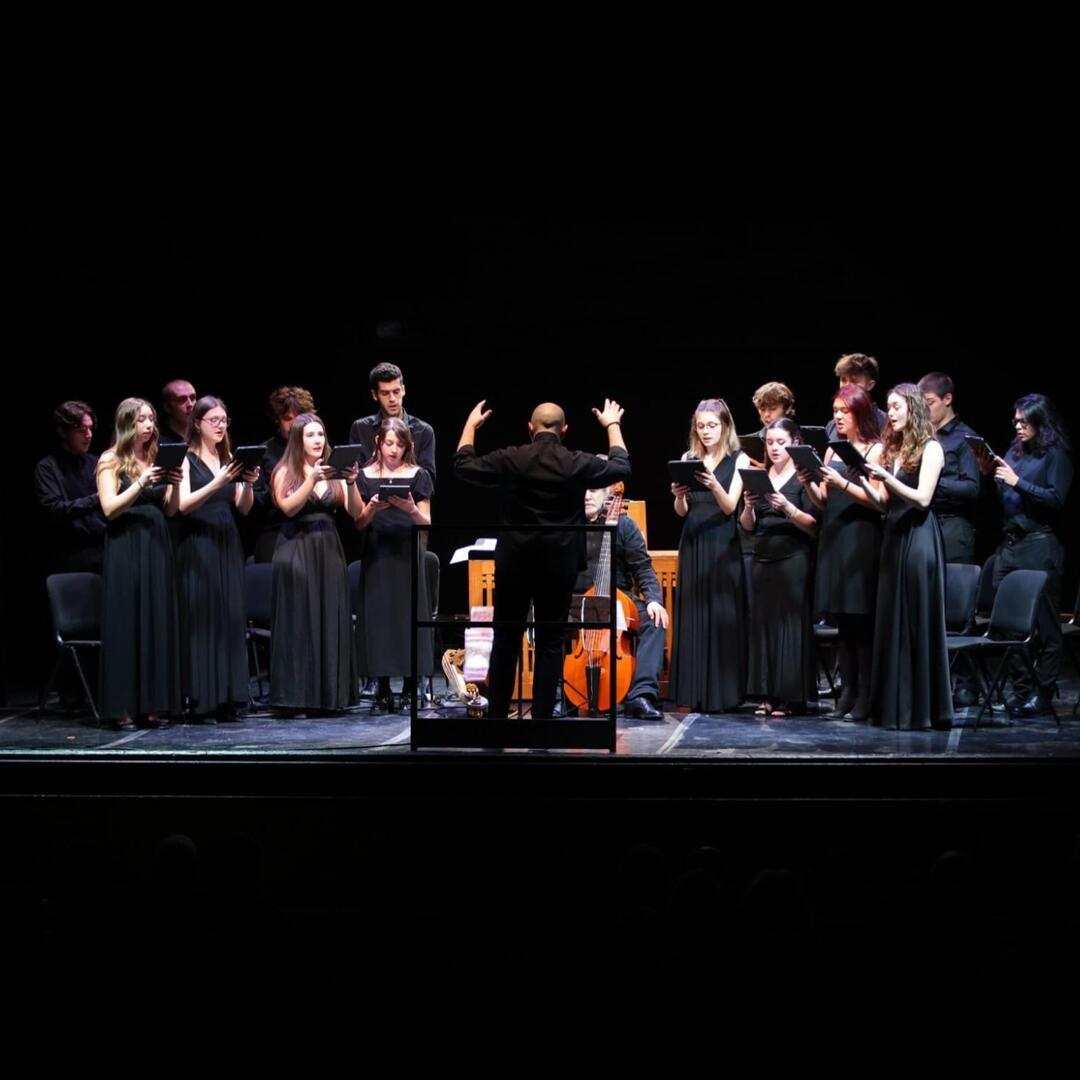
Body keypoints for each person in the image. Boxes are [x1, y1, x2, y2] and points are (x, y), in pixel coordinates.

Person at [453, 398, 630, 720]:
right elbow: (621, 466)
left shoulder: (512, 457)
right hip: (558, 566)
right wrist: (612, 425)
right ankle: (543, 726)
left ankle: (496, 725)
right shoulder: (574, 461)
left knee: (506, 640)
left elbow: (463, 465)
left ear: (531, 428)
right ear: (564, 430)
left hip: (515, 563)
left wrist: (470, 425)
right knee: (550, 643)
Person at [973, 393, 1073, 716]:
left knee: (1045, 627)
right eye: (1015, 420)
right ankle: (1022, 688)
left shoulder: (1056, 456)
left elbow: (1056, 499)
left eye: (1023, 421)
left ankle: (1042, 693)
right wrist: (992, 477)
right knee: (1004, 626)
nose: (1017, 425)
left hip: (1040, 545)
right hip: (1011, 545)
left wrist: (1017, 482)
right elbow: (1003, 499)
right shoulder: (1014, 453)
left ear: (1040, 421)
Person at [861, 384, 953, 731]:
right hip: (894, 537)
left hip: (919, 539)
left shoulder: (931, 449)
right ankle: (893, 707)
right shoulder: (896, 450)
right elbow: (885, 503)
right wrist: (868, 483)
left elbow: (923, 498)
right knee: (892, 618)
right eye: (889, 407)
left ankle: (922, 710)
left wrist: (887, 477)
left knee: (916, 620)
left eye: (897, 406)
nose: (891, 412)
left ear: (912, 408)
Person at [95, 398, 182, 730]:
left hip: (157, 541)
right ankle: (122, 706)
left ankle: (152, 703)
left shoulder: (157, 457)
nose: (149, 424)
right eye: (142, 419)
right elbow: (109, 508)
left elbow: (172, 511)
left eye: (152, 418)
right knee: (127, 622)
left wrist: (172, 482)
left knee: (154, 621)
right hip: (125, 545)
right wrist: (143, 484)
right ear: (127, 424)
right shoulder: (111, 459)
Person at [269, 413, 363, 714]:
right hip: (297, 547)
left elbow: (355, 512)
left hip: (329, 547)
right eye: (310, 435)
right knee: (301, 620)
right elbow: (288, 507)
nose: (318, 440)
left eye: (320, 434)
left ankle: (329, 696)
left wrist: (350, 482)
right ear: (298, 439)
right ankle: (296, 697)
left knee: (329, 617)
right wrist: (310, 479)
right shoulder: (286, 470)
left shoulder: (333, 470)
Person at [175, 397, 259, 722]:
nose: (221, 426)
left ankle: (228, 696)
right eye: (214, 420)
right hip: (199, 540)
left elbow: (244, 507)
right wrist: (218, 482)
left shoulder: (227, 457)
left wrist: (247, 485)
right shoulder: (186, 458)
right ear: (197, 423)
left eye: (224, 420)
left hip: (227, 538)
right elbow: (182, 505)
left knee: (228, 617)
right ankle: (201, 698)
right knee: (204, 619)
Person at [669, 398, 749, 713]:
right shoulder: (689, 457)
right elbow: (680, 512)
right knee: (694, 615)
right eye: (701, 426)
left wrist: (714, 483)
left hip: (722, 541)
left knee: (721, 616)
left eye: (712, 425)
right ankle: (695, 692)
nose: (706, 431)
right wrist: (679, 497)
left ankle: (724, 694)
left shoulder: (739, 459)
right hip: (692, 540)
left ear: (725, 426)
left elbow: (730, 507)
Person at [811, 384, 884, 721]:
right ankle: (848, 693)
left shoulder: (876, 450)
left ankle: (867, 696)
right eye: (835, 410)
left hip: (861, 539)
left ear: (860, 413)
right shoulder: (832, 451)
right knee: (842, 621)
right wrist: (808, 480)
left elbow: (878, 502)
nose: (838, 416)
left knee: (861, 622)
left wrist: (843, 485)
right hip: (834, 537)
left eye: (845, 411)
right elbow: (824, 501)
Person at [738, 419, 819, 718]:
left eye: (781, 442)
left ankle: (790, 696)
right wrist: (748, 506)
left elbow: (814, 525)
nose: (774, 448)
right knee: (764, 628)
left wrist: (787, 507)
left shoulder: (803, 477)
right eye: (770, 442)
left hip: (793, 557)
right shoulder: (761, 475)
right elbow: (747, 527)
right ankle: (768, 694)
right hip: (762, 557)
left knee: (789, 626)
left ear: (794, 442)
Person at [354, 417, 434, 715]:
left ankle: (411, 687)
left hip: (405, 552)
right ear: (378, 442)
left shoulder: (417, 475)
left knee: (406, 617)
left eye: (400, 445)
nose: (393, 450)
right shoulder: (363, 476)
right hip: (376, 553)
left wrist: (411, 508)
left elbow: (427, 522)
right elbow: (359, 523)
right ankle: (382, 687)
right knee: (379, 620)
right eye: (389, 443)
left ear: (407, 447)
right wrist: (372, 507)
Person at [569, 479, 669, 720]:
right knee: (545, 619)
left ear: (606, 494)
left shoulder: (623, 525)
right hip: (578, 601)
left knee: (655, 621)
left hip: (620, 600)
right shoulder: (569, 525)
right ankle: (557, 694)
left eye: (593, 490)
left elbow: (643, 568)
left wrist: (654, 599)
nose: (587, 496)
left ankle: (641, 695)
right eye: (582, 489)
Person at [34, 400, 107, 574]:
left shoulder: (97, 462)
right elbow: (55, 509)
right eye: (81, 430)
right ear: (62, 431)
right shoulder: (47, 467)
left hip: (104, 548)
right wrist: (98, 498)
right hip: (70, 556)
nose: (88, 435)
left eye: (90, 429)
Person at [917, 372, 982, 564]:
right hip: (925, 524)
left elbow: (972, 488)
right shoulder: (923, 435)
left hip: (953, 528)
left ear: (947, 399)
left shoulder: (965, 437)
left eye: (929, 403)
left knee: (952, 589)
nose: (925, 410)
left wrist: (933, 482)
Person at [253, 385, 317, 563]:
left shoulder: (316, 448)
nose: (294, 424)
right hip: (277, 530)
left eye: (299, 418)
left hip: (312, 530)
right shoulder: (264, 451)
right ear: (276, 419)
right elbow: (256, 499)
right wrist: (277, 493)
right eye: (287, 419)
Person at [349, 362, 436, 487]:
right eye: (385, 393)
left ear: (403, 390)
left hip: (411, 502)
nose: (392, 399)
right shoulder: (360, 428)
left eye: (396, 391)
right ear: (374, 395)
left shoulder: (423, 431)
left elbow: (428, 481)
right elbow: (354, 476)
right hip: (369, 501)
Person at [825, 354, 887, 439]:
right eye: (843, 380)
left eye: (854, 381)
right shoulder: (832, 426)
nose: (847, 387)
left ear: (870, 385)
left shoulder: (885, 423)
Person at [158, 379, 197, 444]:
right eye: (182, 400)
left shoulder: (205, 437)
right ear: (167, 407)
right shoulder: (157, 444)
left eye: (193, 398)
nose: (190, 404)